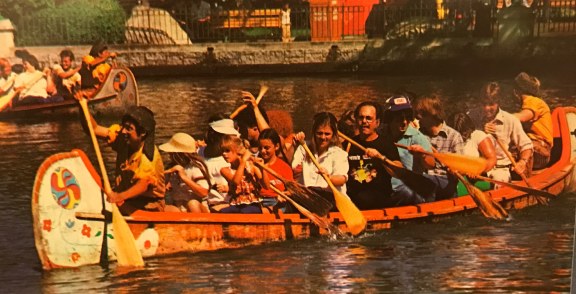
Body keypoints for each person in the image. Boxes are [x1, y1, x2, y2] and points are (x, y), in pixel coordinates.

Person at [84, 105, 166, 215]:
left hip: (148, 206)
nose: (123, 131)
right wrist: (81, 103)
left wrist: (119, 197)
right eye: (123, 126)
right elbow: (93, 129)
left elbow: (144, 184)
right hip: (126, 199)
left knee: (110, 206)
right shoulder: (123, 137)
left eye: (129, 128)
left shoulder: (147, 158)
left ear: (142, 133)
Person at [467, 82, 533, 183]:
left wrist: (522, 162)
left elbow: (526, 146)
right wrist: (479, 130)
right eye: (483, 104)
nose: (486, 108)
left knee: (499, 180)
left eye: (491, 104)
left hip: (500, 168)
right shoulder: (470, 116)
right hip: (474, 168)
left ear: (499, 103)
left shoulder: (510, 120)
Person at [344, 101, 403, 209]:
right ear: (356, 120)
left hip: (378, 196)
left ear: (377, 122)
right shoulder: (348, 144)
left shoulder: (386, 144)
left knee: (364, 197)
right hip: (352, 195)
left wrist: (381, 157)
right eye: (361, 118)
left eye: (368, 118)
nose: (364, 121)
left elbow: (399, 171)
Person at [383, 95, 436, 203]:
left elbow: (431, 165)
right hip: (385, 184)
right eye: (399, 118)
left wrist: (422, 155)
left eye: (407, 117)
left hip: (408, 186)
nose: (404, 122)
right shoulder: (381, 134)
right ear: (390, 118)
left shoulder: (417, 137)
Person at [413, 95, 464, 200]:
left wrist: (455, 169)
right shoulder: (418, 134)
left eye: (421, 114)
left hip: (445, 181)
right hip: (423, 178)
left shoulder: (454, 136)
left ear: (432, 114)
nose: (417, 117)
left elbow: (461, 167)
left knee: (423, 181)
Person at [292, 112, 349, 203]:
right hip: (307, 197)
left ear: (333, 134)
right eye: (319, 133)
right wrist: (295, 144)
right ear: (314, 133)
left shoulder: (339, 154)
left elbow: (341, 180)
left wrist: (328, 177)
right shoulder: (303, 147)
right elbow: (295, 172)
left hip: (332, 199)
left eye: (327, 134)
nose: (323, 137)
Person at [160, 133, 211, 213]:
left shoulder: (195, 167)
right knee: (164, 207)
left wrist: (184, 177)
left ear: (180, 153)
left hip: (197, 208)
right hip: (179, 207)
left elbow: (204, 192)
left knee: (192, 204)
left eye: (172, 152)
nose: (169, 155)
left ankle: (197, 225)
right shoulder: (171, 167)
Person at [511, 72, 553, 170]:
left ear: (516, 92)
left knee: (519, 149)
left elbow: (524, 116)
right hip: (536, 150)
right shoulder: (531, 102)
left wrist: (502, 117)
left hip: (540, 151)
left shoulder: (533, 101)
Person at [448, 112, 497, 195]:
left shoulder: (478, 135)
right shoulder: (447, 138)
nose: (460, 138)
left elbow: (492, 159)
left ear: (468, 129)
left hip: (478, 178)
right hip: (456, 179)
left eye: (463, 134)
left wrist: (477, 170)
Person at [200, 115, 240, 212]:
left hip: (224, 203)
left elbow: (239, 186)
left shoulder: (231, 157)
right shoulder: (199, 151)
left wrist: (228, 189)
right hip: (204, 202)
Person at [219, 135, 269, 213]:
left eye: (227, 150)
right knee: (223, 212)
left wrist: (262, 168)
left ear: (237, 151)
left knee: (245, 212)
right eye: (222, 151)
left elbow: (266, 186)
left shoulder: (251, 166)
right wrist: (243, 161)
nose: (224, 154)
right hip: (236, 204)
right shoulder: (224, 170)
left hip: (253, 204)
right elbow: (236, 181)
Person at [257, 128, 293, 211]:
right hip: (260, 201)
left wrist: (284, 195)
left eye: (266, 148)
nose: (263, 151)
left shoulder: (284, 167)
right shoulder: (256, 165)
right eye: (260, 148)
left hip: (277, 201)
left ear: (276, 146)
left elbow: (291, 191)